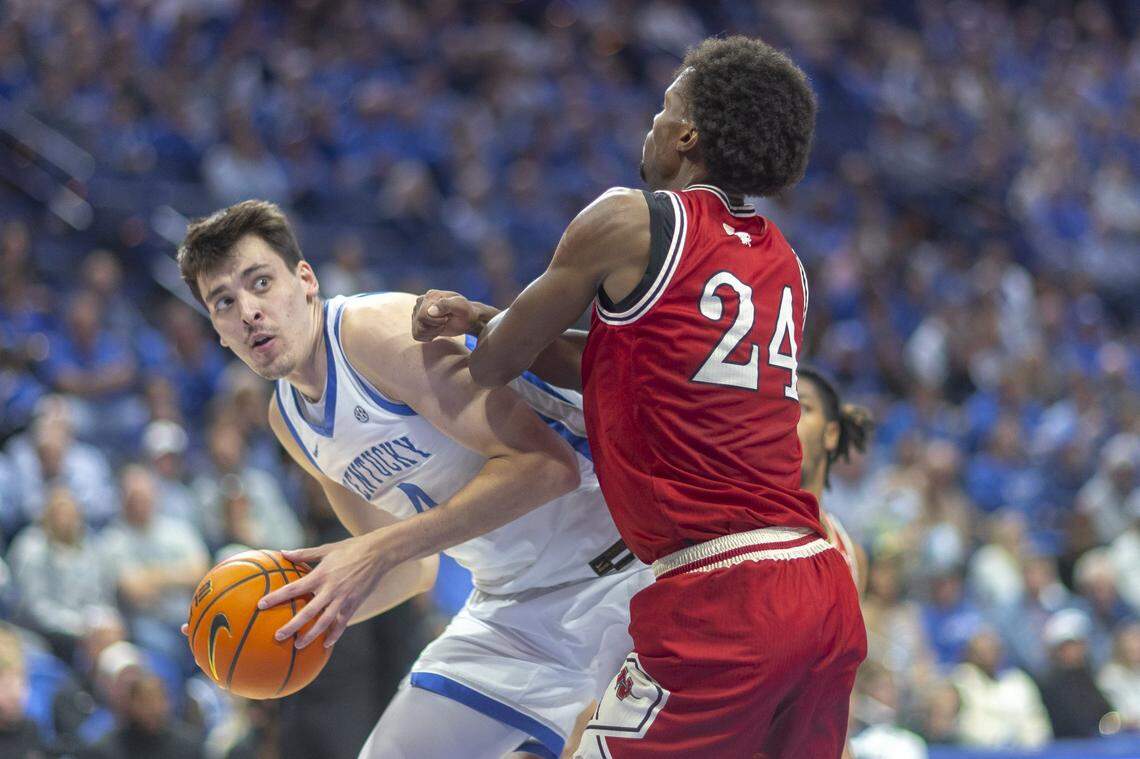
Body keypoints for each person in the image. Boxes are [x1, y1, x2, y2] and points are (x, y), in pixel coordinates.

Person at [414, 35, 865, 758]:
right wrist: (479, 313)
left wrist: (478, 327)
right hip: (817, 583)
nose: (652, 123)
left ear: (688, 134)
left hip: (723, 594)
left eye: (665, 107)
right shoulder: (785, 262)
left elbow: (500, 362)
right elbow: (618, 361)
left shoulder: (628, 218)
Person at [176, 199, 651, 759]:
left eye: (260, 283)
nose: (249, 311)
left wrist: (374, 550)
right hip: (512, 607)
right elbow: (409, 572)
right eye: (225, 302)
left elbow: (548, 468)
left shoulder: (374, 333)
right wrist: (293, 615)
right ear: (218, 331)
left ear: (305, 279)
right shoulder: (289, 421)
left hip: (627, 567)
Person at [796, 367, 871, 593]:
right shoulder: (742, 525)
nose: (787, 416)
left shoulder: (853, 556)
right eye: (781, 406)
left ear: (831, 434)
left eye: (802, 406)